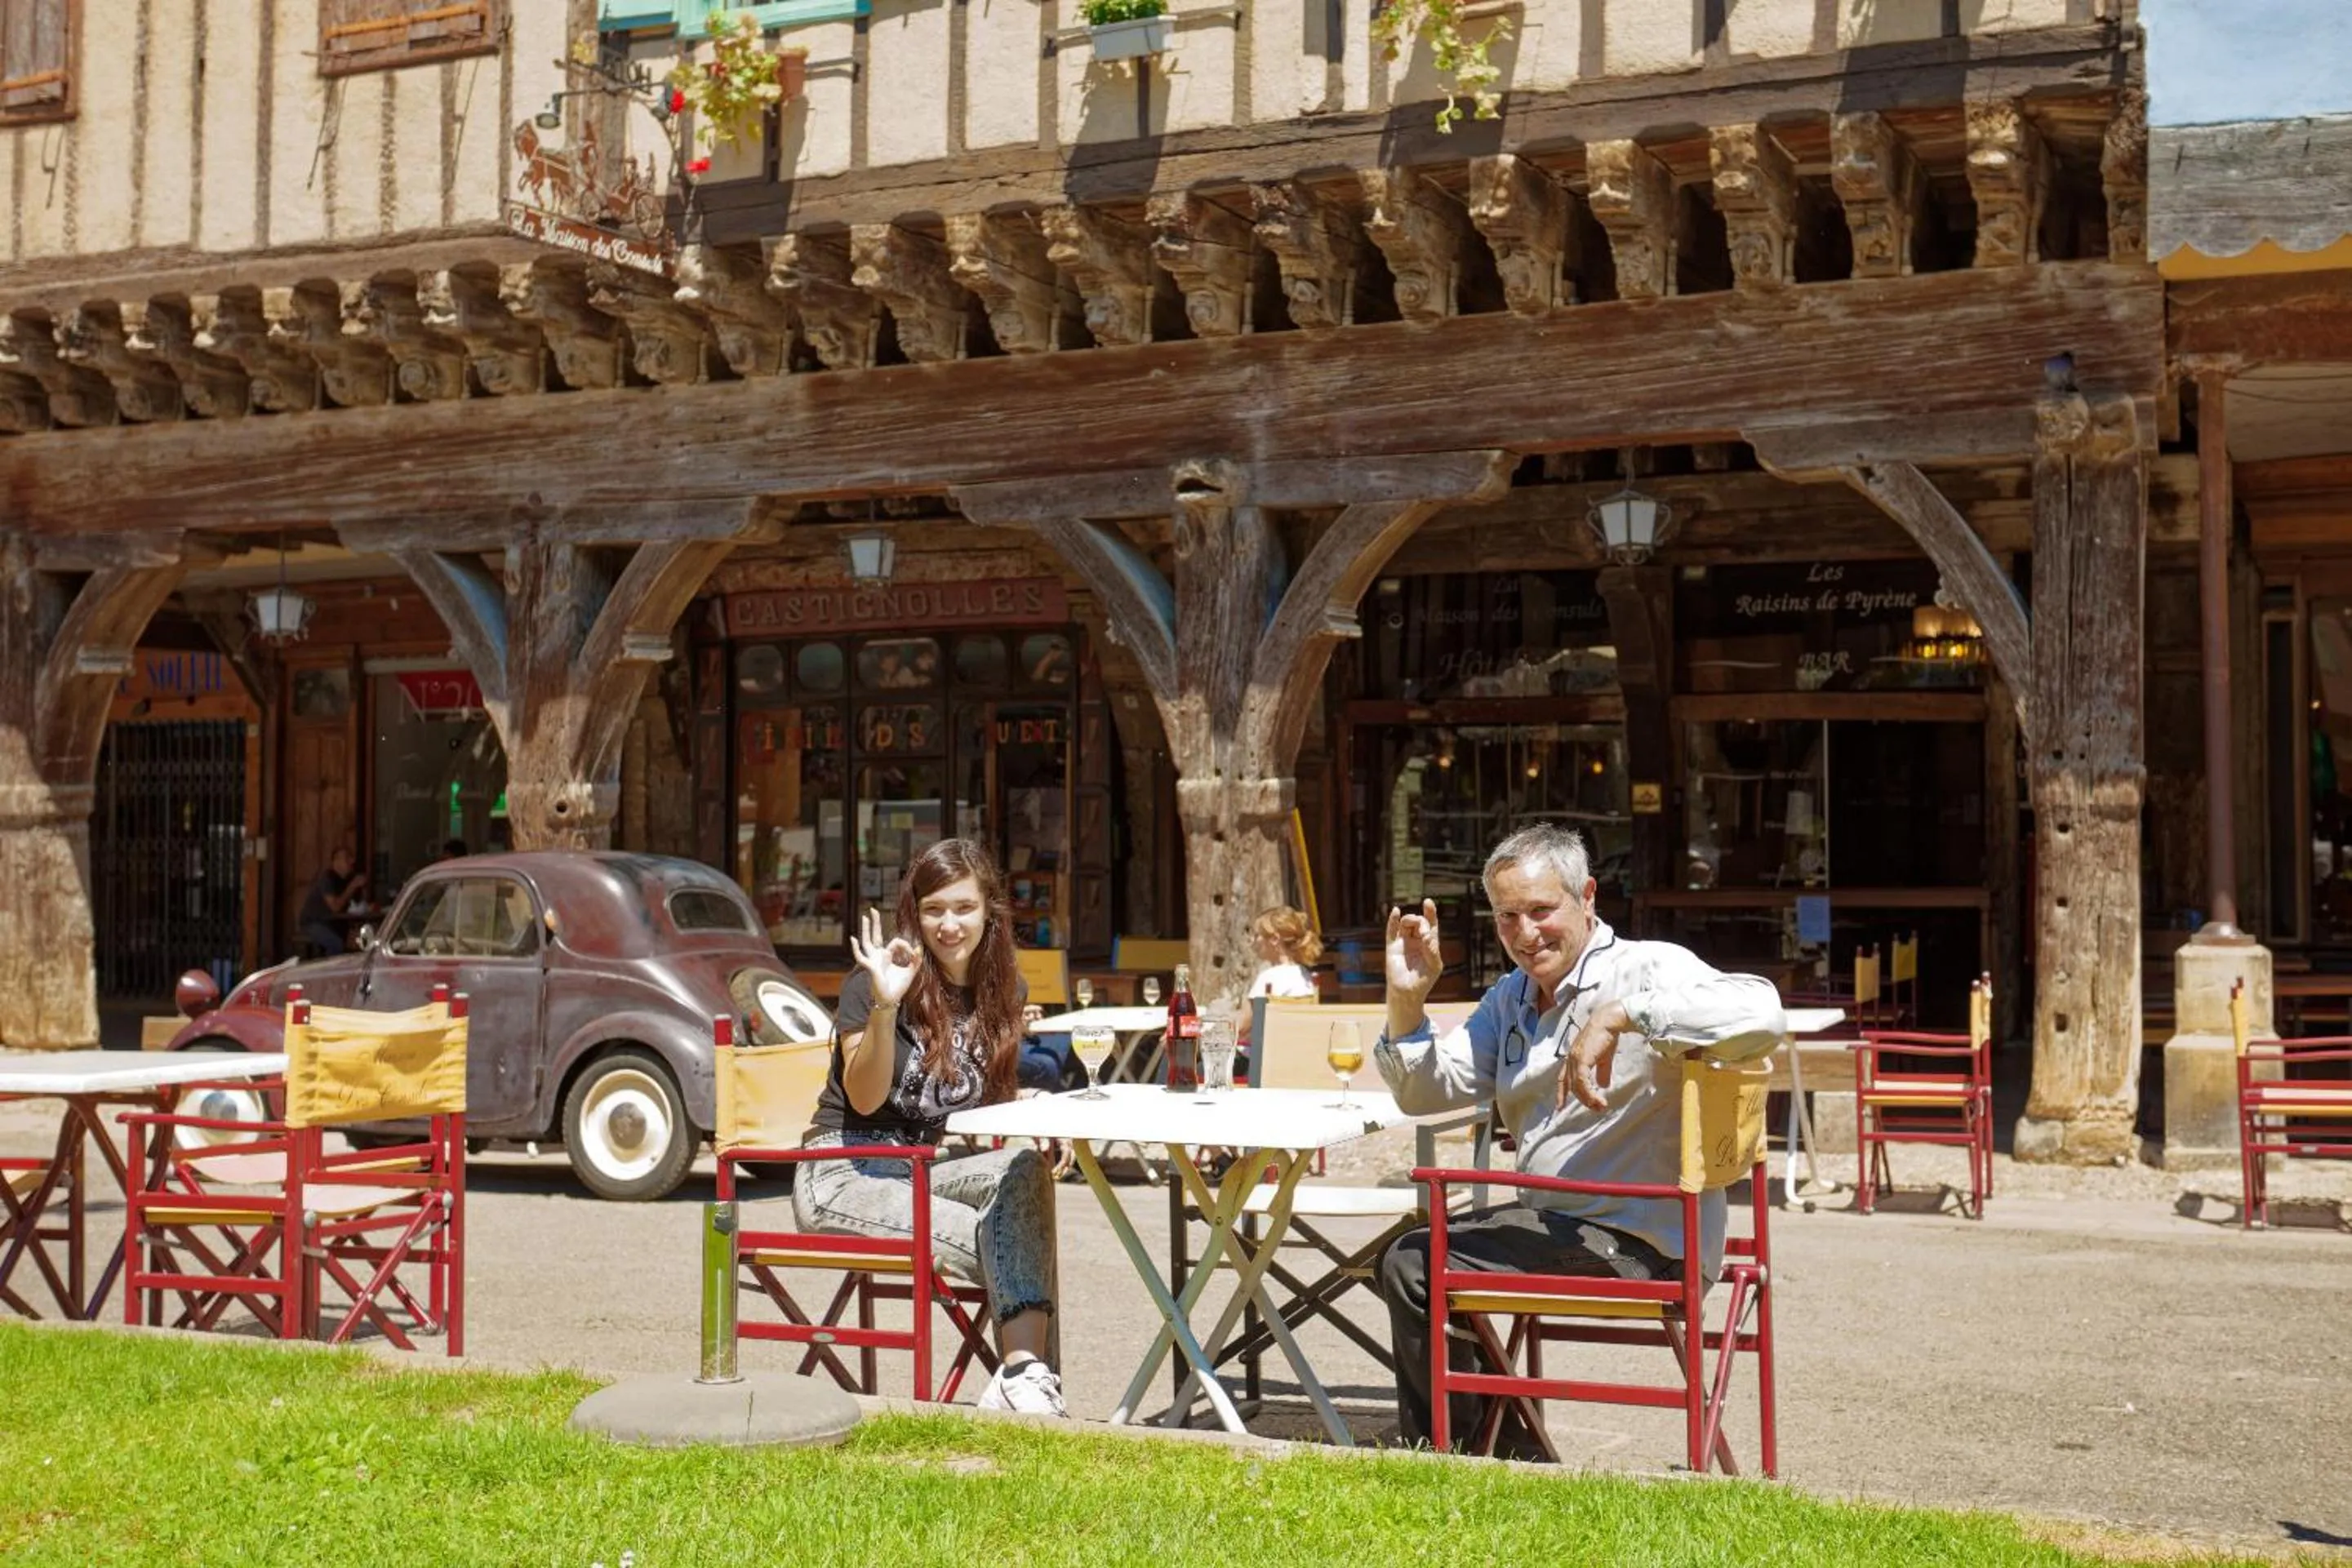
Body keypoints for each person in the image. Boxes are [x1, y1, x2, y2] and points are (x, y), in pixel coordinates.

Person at [1371, 823, 1784, 1455]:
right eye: (1508, 916)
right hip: (1554, 1221)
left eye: (1541, 910)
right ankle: (1497, 1449)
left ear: (1586, 896)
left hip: (1647, 1239)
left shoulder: (1646, 967)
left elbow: (1762, 1013)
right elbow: (1427, 1092)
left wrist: (1622, 1015)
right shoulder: (1510, 996)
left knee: (1415, 1261)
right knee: (1411, 1250)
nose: (1525, 932)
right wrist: (1407, 1001)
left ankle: (1476, 1456)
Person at [793, 837, 1067, 1416]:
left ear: (989, 908)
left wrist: (1038, 1108)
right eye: (934, 908)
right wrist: (885, 1006)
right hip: (842, 1171)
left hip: (919, 1167)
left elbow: (980, 1104)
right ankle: (1027, 1382)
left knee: (1024, 1173)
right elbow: (865, 1101)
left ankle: (1020, 1377)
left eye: (963, 907)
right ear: (914, 914)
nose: (948, 924)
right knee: (1010, 1241)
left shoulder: (1004, 991)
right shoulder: (876, 982)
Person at [296, 846, 368, 957]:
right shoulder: (327, 879)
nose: (352, 861)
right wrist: (352, 886)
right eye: (347, 858)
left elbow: (358, 904)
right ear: (336, 862)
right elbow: (335, 907)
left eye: (351, 858)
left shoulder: (348, 879)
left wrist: (362, 889)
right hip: (314, 922)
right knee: (336, 944)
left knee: (360, 942)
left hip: (334, 923)